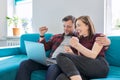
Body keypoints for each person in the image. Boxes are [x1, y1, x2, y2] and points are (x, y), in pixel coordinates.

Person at [16, 15, 110, 80]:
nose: (66, 28)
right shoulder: (56, 36)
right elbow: (44, 48)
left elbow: (97, 49)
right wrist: (41, 36)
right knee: (25, 63)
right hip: (51, 60)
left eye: (69, 26)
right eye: (64, 26)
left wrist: (108, 41)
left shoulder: (77, 38)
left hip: (61, 63)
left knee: (57, 63)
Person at [49, 16, 110, 80]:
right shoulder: (79, 39)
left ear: (87, 25)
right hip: (86, 69)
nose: (77, 28)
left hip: (99, 66)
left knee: (60, 56)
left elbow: (93, 55)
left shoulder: (98, 36)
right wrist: (71, 53)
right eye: (76, 26)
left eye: (79, 25)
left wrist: (77, 45)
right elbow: (80, 59)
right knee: (61, 78)